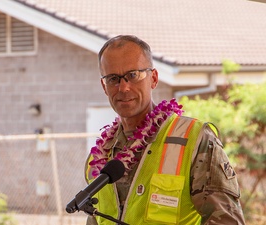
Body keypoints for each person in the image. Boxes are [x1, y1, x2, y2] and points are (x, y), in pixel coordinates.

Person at [84, 35, 245, 225]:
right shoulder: (99, 157)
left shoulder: (192, 139)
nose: (124, 87)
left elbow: (227, 221)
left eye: (133, 75)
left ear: (153, 78)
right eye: (113, 79)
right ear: (104, 86)